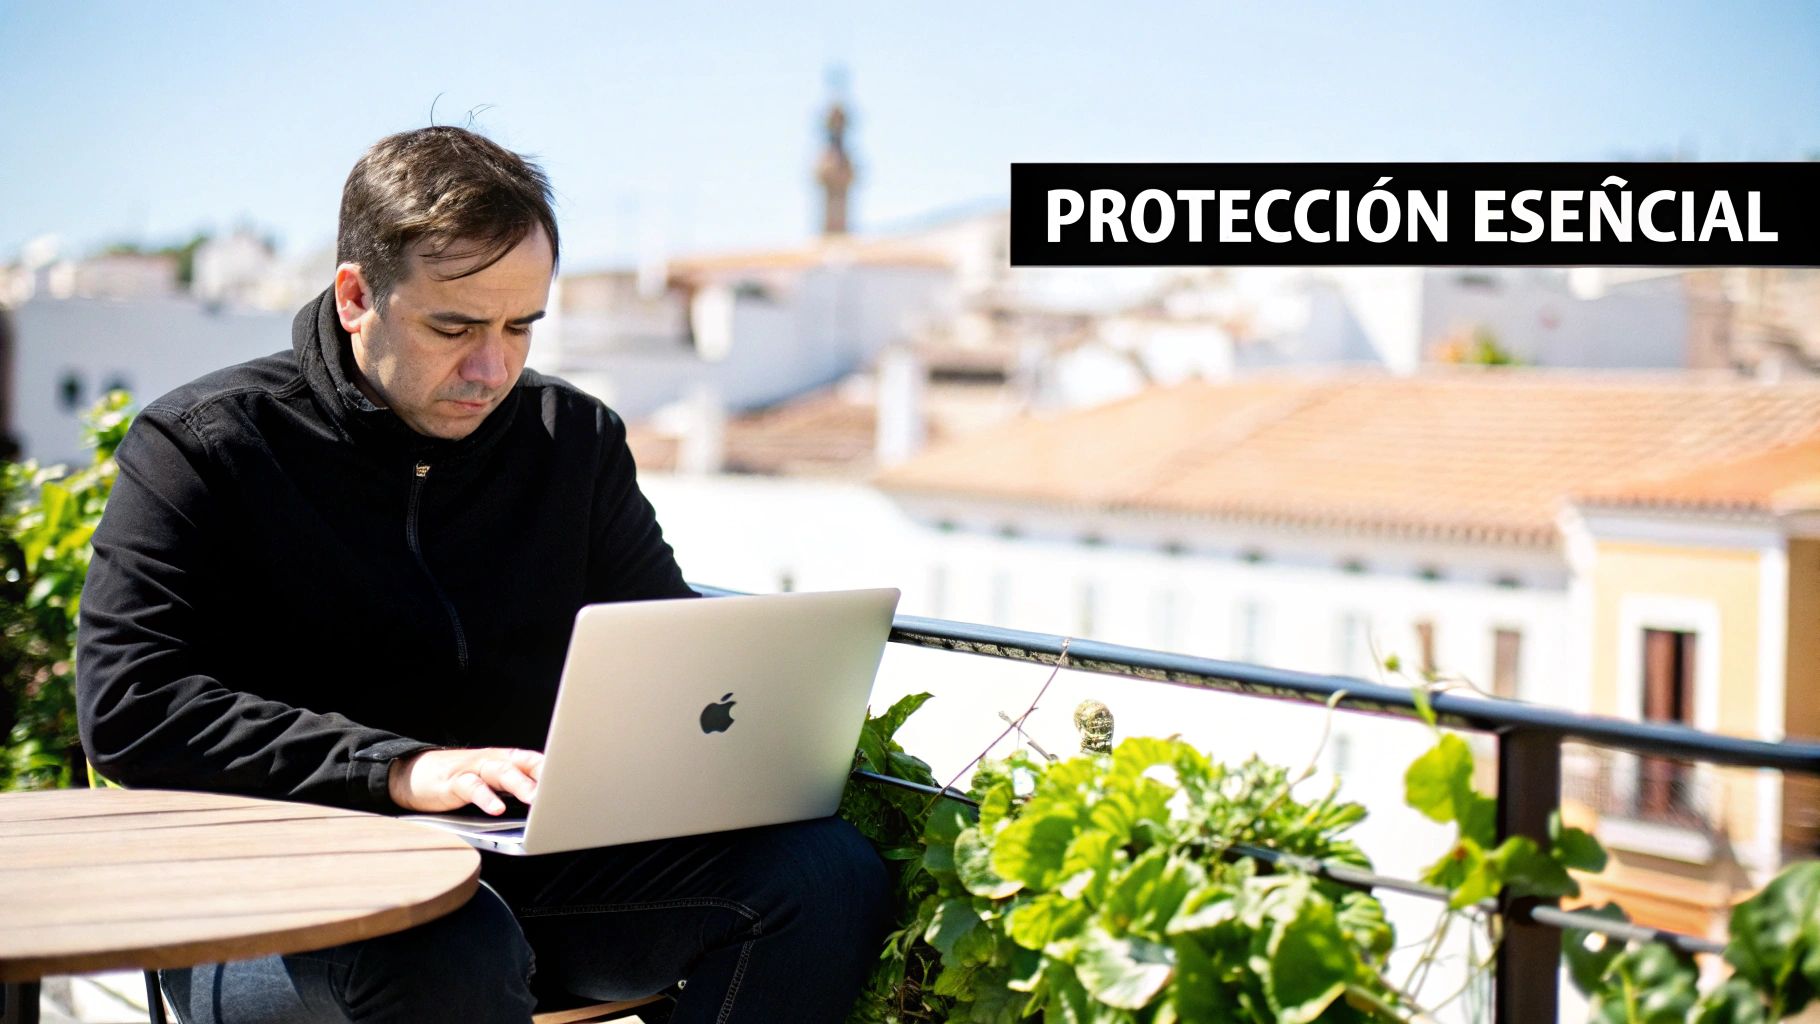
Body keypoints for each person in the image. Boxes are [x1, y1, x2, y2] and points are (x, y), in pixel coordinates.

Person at [75, 125, 890, 1024]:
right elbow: (129, 701)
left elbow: (665, 651)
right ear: (356, 296)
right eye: (453, 327)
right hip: (272, 899)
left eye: (520, 326)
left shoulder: (570, 441)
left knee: (824, 875)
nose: (492, 368)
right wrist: (397, 770)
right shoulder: (203, 444)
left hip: (520, 876)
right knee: (447, 945)